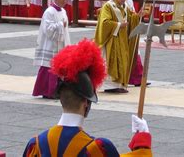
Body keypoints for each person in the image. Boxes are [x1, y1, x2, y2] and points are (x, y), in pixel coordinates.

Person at [24, 40, 152, 156]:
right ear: (86, 103)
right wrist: (142, 142)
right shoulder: (97, 149)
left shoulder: (35, 146)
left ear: (61, 99)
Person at [94, 0, 140, 93]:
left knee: (123, 60)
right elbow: (104, 23)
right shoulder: (108, 6)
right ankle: (110, 86)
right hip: (111, 39)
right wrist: (119, 25)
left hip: (122, 39)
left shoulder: (124, 6)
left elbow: (131, 17)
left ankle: (120, 84)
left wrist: (138, 16)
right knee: (112, 61)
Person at [32, 0, 71, 99]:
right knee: (49, 68)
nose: (65, 1)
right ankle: (48, 91)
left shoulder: (63, 11)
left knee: (60, 67)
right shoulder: (49, 12)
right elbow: (47, 30)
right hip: (51, 44)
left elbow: (65, 28)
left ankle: (58, 90)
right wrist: (59, 25)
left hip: (61, 43)